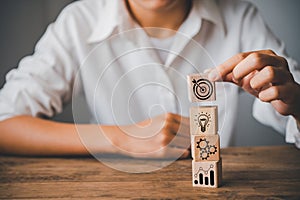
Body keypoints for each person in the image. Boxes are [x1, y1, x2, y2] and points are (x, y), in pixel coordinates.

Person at [0, 0, 299, 158]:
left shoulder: (241, 17)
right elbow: (4, 123)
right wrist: (119, 137)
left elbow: (289, 111)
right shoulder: (78, 21)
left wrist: (297, 104)